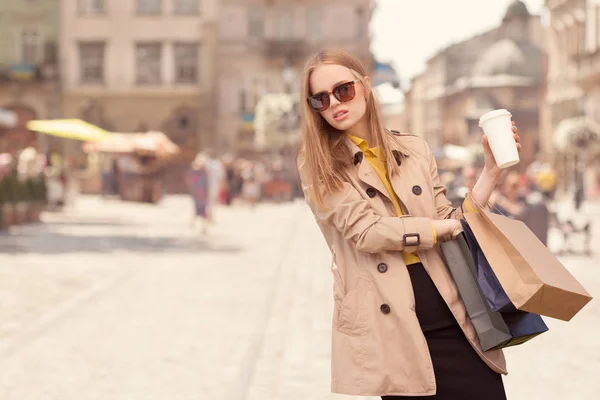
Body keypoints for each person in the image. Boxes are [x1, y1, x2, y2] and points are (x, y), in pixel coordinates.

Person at [296, 50, 521, 399]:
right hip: (393, 325)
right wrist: (436, 230)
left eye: (343, 90)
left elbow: (452, 223)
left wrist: (491, 172)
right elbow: (367, 233)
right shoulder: (319, 164)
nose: (334, 103)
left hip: (455, 312)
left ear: (366, 87)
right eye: (320, 99)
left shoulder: (414, 149)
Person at [186, 153, 211, 235]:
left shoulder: (205, 172)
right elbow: (191, 182)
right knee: (197, 210)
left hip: (202, 194)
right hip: (197, 194)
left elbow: (206, 184)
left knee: (203, 212)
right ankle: (195, 224)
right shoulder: (194, 172)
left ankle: (203, 227)